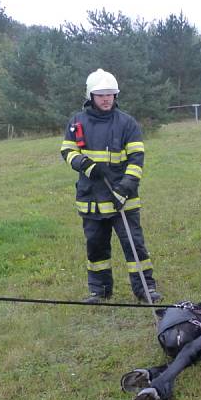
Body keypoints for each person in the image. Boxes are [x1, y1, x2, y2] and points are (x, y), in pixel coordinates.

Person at [60, 69, 161, 304]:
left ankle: (145, 289)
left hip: (123, 198)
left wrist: (125, 188)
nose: (106, 99)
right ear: (91, 96)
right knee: (96, 247)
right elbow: (67, 150)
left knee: (134, 245)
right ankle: (100, 290)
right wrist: (84, 165)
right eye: (101, 94)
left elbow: (137, 160)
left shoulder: (127, 123)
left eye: (110, 94)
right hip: (91, 197)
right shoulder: (77, 122)